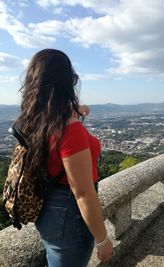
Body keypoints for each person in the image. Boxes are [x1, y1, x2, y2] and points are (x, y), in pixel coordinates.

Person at [15, 48, 113, 267]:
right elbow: (83, 193)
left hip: (47, 208)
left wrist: (77, 109)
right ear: (66, 82)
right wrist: (103, 239)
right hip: (70, 215)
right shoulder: (70, 130)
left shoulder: (35, 119)